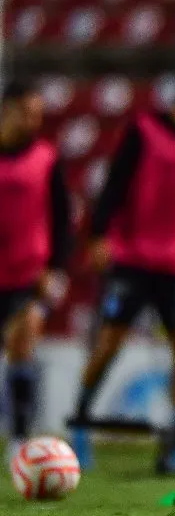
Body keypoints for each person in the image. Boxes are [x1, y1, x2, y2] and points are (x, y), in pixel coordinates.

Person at [68, 68, 175, 474]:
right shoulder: (143, 131)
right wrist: (99, 235)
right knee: (108, 345)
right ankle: (80, 426)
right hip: (133, 260)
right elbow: (114, 187)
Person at [0, 80, 71, 463]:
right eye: (27, 113)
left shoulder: (46, 156)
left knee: (22, 344)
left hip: (28, 273)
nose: (33, 122)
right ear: (6, 110)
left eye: (38, 115)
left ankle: (19, 435)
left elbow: (62, 218)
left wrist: (56, 268)